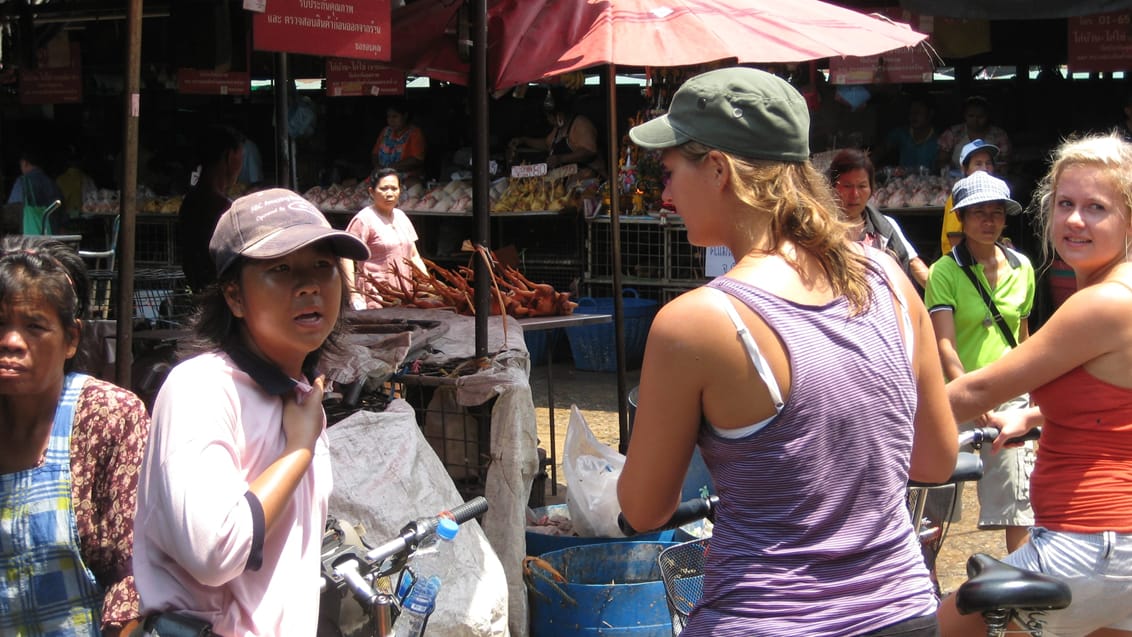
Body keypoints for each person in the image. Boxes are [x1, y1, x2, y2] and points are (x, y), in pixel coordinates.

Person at [618, 67, 957, 636]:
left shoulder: (698, 322)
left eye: (672, 170)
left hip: (764, 619)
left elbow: (644, 509)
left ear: (720, 170)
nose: (668, 194)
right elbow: (933, 461)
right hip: (905, 613)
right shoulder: (889, 280)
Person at [132, 188, 370, 635]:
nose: (308, 285)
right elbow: (215, 553)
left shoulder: (300, 396)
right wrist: (297, 451)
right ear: (234, 296)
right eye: (280, 269)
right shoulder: (201, 389)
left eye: (323, 265)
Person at [938, 132, 1132, 636]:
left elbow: (977, 391)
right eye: (1065, 203)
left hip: (1089, 543)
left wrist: (860, 420)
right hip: (1117, 551)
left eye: (1096, 207)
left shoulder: (1100, 304)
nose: (1074, 219)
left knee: (940, 629)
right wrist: (1033, 415)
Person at [0, 235, 149, 636]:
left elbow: (137, 574)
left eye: (34, 326)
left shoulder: (107, 417)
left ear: (72, 339)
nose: (11, 342)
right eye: (0, 325)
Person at [925, 171, 1035, 553]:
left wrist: (1031, 391)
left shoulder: (1023, 267)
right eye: (978, 213)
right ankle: (927, 588)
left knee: (1017, 502)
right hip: (955, 395)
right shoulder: (944, 271)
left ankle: (1022, 589)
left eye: (997, 213)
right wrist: (974, 396)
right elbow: (944, 344)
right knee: (935, 499)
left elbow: (1022, 338)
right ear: (962, 217)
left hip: (1009, 393)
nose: (989, 221)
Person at [828, 148, 930, 288]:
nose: (855, 194)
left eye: (862, 186)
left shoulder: (885, 228)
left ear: (871, 189)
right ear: (833, 188)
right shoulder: (820, 229)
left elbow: (913, 262)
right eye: (847, 186)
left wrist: (942, 293)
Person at [346, 167, 427, 309]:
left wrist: (428, 283)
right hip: (375, 296)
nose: (389, 194)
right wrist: (353, 293)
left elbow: (414, 255)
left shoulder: (401, 217)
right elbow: (346, 256)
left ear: (400, 191)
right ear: (371, 192)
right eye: (384, 189)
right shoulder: (364, 219)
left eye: (394, 189)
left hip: (403, 294)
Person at [176, 124, 245, 293]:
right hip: (218, 295)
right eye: (240, 157)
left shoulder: (190, 202)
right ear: (229, 157)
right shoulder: (222, 208)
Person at [508, 87, 606, 179]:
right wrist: (523, 140)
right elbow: (547, 144)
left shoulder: (581, 124)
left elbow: (589, 152)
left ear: (559, 115)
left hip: (590, 178)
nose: (547, 119)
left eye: (549, 116)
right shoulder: (558, 129)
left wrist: (561, 158)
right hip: (566, 178)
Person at [939, 138, 999, 255]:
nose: (985, 169)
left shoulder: (994, 195)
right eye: (978, 164)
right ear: (965, 169)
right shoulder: (959, 196)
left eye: (988, 163)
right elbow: (955, 240)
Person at [937, 95, 1012, 176]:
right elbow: (942, 161)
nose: (975, 120)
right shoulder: (953, 133)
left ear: (988, 116)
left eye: (980, 116)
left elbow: (1005, 162)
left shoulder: (999, 135)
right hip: (956, 178)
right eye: (971, 116)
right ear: (964, 115)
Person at [8, 148, 64, 235]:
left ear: (24, 163)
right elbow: (62, 214)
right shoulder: (52, 183)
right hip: (52, 238)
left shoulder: (22, 182)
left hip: (30, 239)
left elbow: (12, 212)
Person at [371, 100, 427, 183]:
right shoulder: (385, 131)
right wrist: (378, 167)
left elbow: (417, 159)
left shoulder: (415, 133)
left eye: (395, 117)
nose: (391, 120)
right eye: (388, 117)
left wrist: (389, 168)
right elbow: (375, 153)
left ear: (405, 116)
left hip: (407, 177)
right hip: (382, 175)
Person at [884, 95, 939, 173]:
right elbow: (883, 148)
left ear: (930, 114)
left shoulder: (939, 139)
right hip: (902, 181)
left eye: (918, 112)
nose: (914, 116)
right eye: (912, 112)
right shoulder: (901, 133)